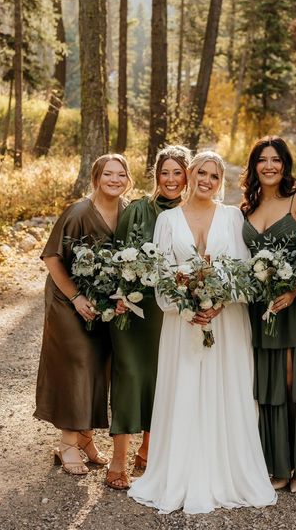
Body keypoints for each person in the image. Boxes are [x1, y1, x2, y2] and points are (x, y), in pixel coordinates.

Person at [128, 151, 277, 514]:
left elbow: (244, 271)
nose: (207, 180)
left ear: (220, 180)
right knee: (185, 390)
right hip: (183, 325)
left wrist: (219, 303)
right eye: (201, 173)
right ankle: (178, 473)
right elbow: (159, 277)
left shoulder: (231, 217)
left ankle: (228, 472)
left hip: (225, 323)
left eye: (214, 175)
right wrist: (185, 305)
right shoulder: (166, 219)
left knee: (225, 389)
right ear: (190, 174)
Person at [34, 154, 132, 475]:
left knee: (98, 366)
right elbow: (51, 258)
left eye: (120, 174)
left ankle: (86, 440)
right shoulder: (78, 212)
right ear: (96, 178)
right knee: (77, 365)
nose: (114, 180)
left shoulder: (128, 211)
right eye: (108, 174)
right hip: (68, 302)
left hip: (104, 305)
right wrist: (75, 296)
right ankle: (66, 444)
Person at [241, 136, 296, 492]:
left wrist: (294, 289)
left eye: (276, 160)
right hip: (262, 309)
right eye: (262, 160)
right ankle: (277, 466)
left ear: (285, 164)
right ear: (254, 166)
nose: (269, 166)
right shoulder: (247, 206)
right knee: (271, 385)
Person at [106, 145, 191, 490]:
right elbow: (116, 256)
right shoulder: (138, 210)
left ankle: (149, 450)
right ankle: (117, 460)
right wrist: (119, 296)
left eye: (177, 172)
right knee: (128, 376)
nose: (170, 179)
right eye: (164, 172)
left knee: (162, 379)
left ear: (188, 175)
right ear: (156, 175)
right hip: (134, 309)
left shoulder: (191, 214)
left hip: (169, 313)